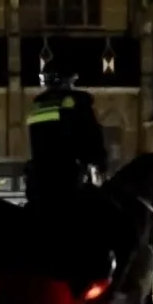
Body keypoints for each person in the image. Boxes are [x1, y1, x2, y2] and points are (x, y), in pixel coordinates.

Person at [24, 68, 108, 205]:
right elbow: (91, 140)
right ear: (67, 81)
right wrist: (99, 164)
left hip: (37, 183)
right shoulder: (77, 102)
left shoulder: (37, 106)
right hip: (68, 181)